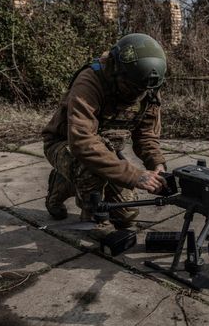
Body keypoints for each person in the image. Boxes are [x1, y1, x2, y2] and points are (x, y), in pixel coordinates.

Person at [42, 33, 167, 232]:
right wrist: (134, 175)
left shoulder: (147, 85)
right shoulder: (90, 81)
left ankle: (66, 181)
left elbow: (146, 135)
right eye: (132, 88)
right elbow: (82, 142)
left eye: (141, 90)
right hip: (64, 143)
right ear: (117, 71)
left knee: (127, 216)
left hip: (106, 148)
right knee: (90, 173)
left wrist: (157, 164)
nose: (136, 95)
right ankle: (91, 215)